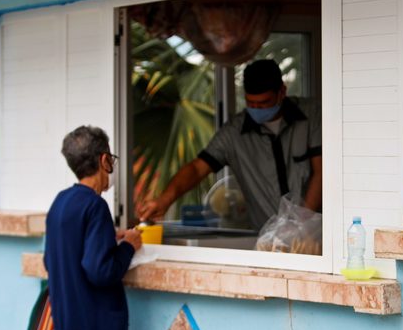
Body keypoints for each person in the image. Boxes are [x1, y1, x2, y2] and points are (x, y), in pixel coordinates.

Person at [138, 59, 322, 230]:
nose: (257, 109)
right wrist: (164, 200)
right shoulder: (234, 132)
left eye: (264, 103)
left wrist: (302, 226)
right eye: (251, 103)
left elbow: (322, 171)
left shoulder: (312, 115)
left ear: (282, 92)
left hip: (316, 234)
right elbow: (196, 168)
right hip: (268, 239)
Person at [44, 125, 142, 330]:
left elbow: (53, 259)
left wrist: (108, 237)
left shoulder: (60, 202)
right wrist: (129, 245)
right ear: (104, 160)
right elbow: (100, 271)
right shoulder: (95, 206)